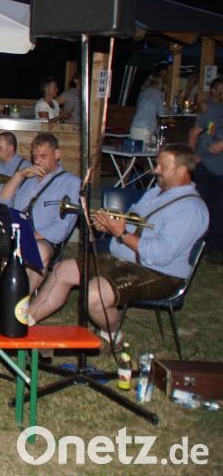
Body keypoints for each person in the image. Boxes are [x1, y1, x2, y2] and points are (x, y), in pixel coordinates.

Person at [28, 144, 208, 346]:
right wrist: (108, 226)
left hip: (159, 273)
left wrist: (120, 233)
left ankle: (111, 335)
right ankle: (25, 322)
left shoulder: (190, 209)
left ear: (182, 171)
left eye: (162, 166)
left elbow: (161, 254)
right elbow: (131, 222)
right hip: (125, 258)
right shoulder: (156, 192)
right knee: (62, 270)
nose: (155, 170)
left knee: (93, 295)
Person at [0, 132, 80, 296]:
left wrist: (30, 236)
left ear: (57, 154)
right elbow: (2, 201)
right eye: (35, 156)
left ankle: (17, 302)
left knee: (40, 251)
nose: (37, 161)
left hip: (42, 239)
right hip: (11, 231)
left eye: (43, 156)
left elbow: (62, 227)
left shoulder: (71, 182)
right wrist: (19, 176)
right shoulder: (28, 177)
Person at [189, 76, 223, 250]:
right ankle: (198, 243)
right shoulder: (210, 109)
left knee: (218, 207)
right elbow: (194, 133)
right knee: (201, 204)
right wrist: (192, 157)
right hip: (205, 164)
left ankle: (214, 248)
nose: (220, 93)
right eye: (219, 90)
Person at [129, 74, 166, 146]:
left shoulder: (143, 92)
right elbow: (161, 113)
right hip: (145, 129)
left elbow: (141, 107)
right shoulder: (158, 94)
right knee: (153, 149)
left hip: (134, 127)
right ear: (161, 83)